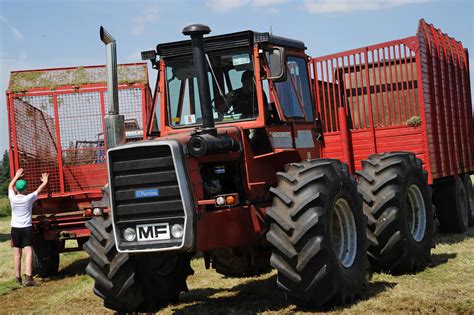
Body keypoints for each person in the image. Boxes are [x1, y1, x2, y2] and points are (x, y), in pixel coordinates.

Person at [8, 168, 49, 286]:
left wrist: (16, 176)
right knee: (29, 251)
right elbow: (39, 190)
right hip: (26, 228)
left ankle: (17, 278)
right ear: (25, 189)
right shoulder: (28, 198)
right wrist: (45, 182)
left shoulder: (12, 198)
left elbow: (10, 186)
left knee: (17, 253)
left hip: (15, 228)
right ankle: (29, 278)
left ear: (16, 189)